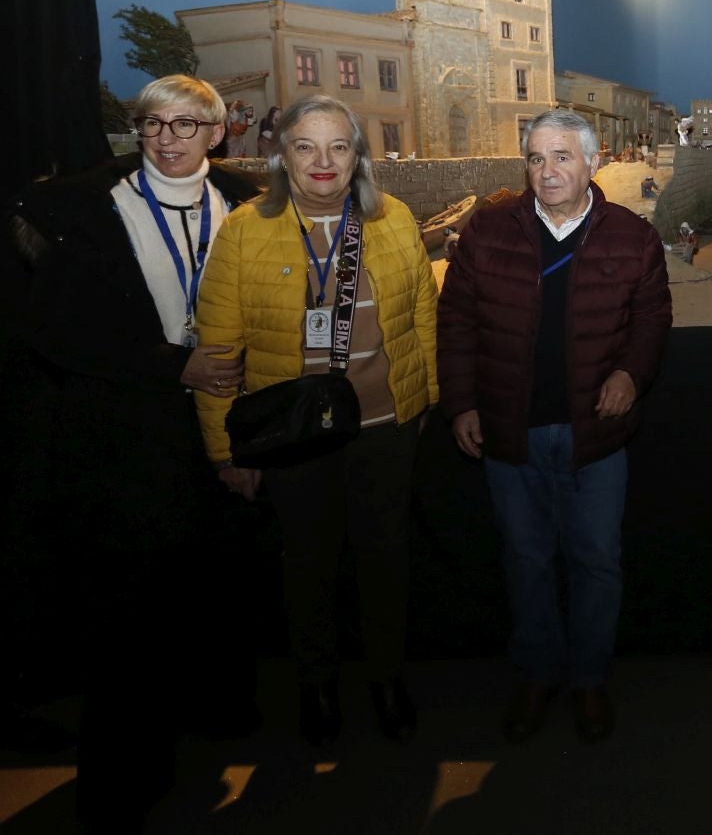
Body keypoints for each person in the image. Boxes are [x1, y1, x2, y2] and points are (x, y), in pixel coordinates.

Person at [10, 74, 261, 830]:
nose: (167, 139)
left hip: (225, 424)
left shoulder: (249, 200)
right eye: (153, 123)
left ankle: (213, 726)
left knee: (214, 586)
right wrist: (167, 363)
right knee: (128, 609)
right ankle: (122, 781)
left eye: (186, 125)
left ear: (218, 134)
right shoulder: (82, 208)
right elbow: (54, 329)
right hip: (127, 433)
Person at [194, 94, 439, 748]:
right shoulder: (245, 230)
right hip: (293, 438)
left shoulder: (393, 219)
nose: (323, 161)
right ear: (283, 156)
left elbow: (422, 315)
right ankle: (318, 684)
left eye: (338, 146)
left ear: (357, 155)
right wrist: (226, 450)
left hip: (384, 425)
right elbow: (218, 349)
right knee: (308, 563)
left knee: (385, 560)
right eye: (306, 146)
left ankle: (386, 678)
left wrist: (422, 403)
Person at [439, 109, 671, 745]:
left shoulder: (632, 237)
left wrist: (630, 374)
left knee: (597, 562)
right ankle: (537, 675)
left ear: (593, 163)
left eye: (563, 157)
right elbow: (456, 321)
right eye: (537, 158)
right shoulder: (486, 233)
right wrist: (461, 403)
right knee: (526, 560)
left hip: (594, 436)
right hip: (509, 433)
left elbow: (651, 320)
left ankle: (590, 679)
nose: (548, 171)